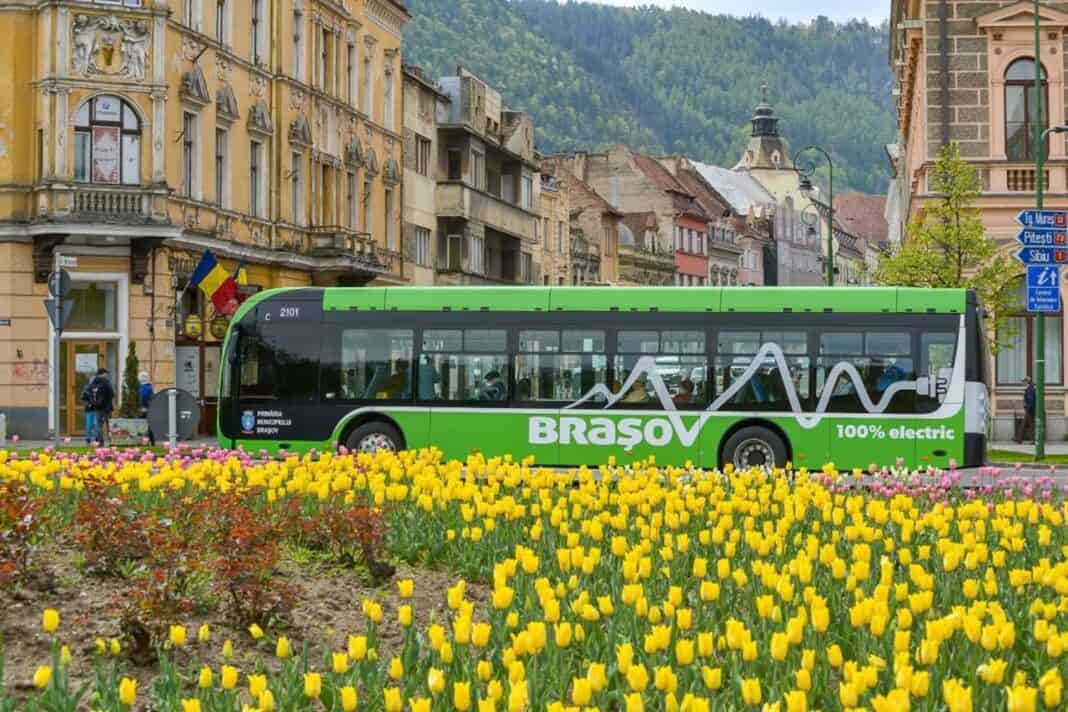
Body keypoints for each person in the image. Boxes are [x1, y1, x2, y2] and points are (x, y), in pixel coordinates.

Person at [85, 368, 115, 446]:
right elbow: (112, 394)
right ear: (102, 374)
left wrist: (93, 403)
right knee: (109, 425)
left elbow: (88, 394)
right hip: (107, 407)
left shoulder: (93, 383)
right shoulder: (106, 382)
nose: (107, 375)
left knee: (99, 425)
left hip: (97, 408)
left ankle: (100, 442)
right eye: (106, 373)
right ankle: (111, 441)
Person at [138, 371, 155, 445]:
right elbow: (152, 399)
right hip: (148, 409)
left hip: (141, 409)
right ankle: (152, 442)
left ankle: (142, 442)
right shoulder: (150, 387)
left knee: (140, 426)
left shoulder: (140, 388)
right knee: (149, 427)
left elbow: (142, 398)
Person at [1019, 376, 1037, 444]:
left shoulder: (1029, 389)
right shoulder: (1031, 388)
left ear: (1027, 382)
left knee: (1031, 425)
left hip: (1029, 410)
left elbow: (1030, 399)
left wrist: (1027, 408)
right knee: (1027, 424)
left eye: (1024, 381)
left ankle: (1033, 440)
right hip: (1030, 409)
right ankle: (1019, 438)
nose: (1023, 383)